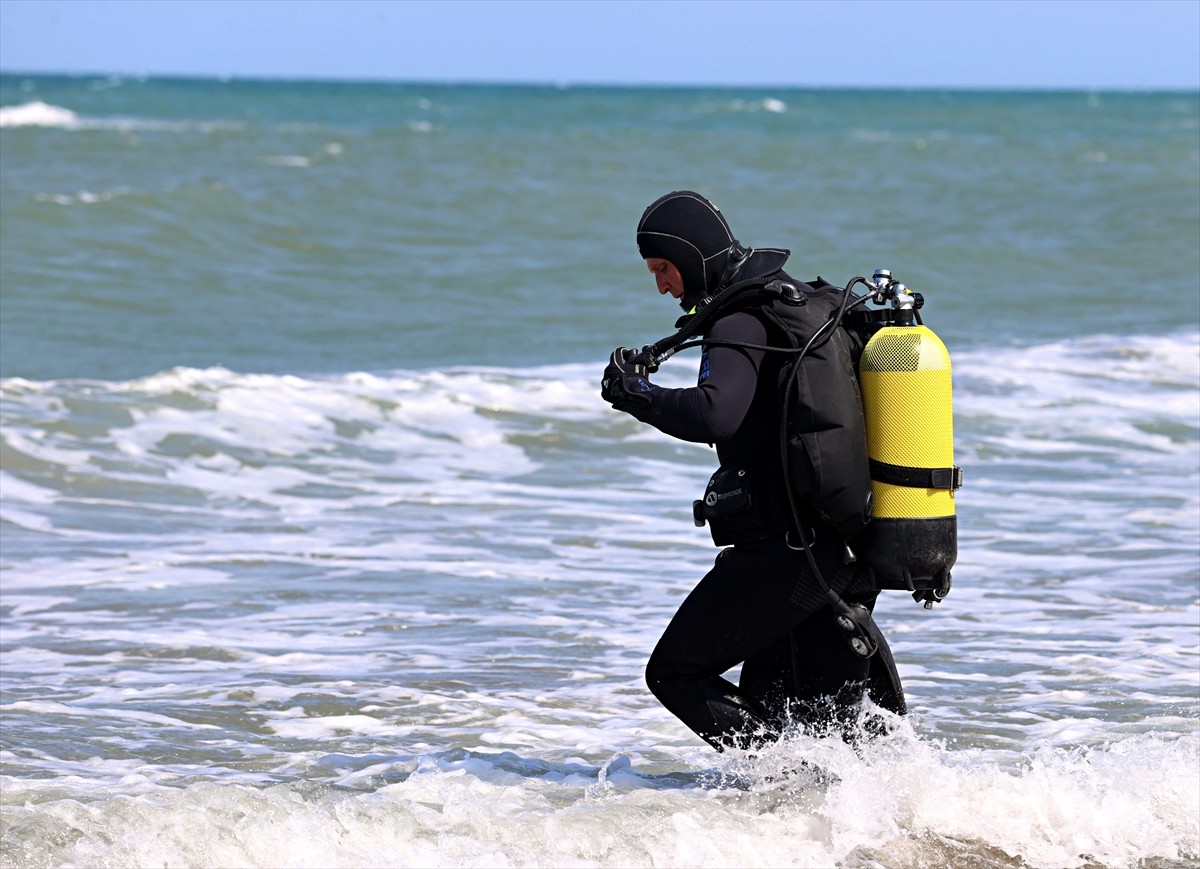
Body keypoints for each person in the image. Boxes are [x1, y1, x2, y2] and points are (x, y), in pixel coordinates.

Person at [600, 191, 905, 752]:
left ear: (692, 258)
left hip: (788, 555)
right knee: (834, 734)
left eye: (663, 269)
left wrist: (636, 394)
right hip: (844, 545)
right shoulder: (800, 305)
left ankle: (782, 783)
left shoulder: (740, 318)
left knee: (673, 672)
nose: (662, 285)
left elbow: (717, 411)